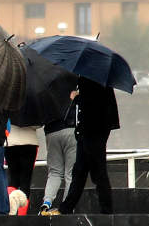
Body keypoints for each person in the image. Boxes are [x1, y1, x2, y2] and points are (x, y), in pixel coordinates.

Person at [60, 76, 119, 215]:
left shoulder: (91, 79)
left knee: (97, 172)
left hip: (91, 132)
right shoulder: (102, 79)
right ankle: (67, 207)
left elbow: (91, 103)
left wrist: (76, 97)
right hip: (93, 131)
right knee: (80, 171)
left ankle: (106, 209)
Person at [37, 93, 76, 215]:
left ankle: (46, 202)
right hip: (72, 130)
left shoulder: (47, 87)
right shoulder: (73, 82)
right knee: (71, 173)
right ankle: (66, 207)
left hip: (52, 132)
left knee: (54, 172)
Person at [5, 123, 42, 200]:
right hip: (29, 143)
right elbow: (38, 124)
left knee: (12, 178)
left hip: (11, 143)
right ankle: (23, 210)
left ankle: (11, 208)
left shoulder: (8, 110)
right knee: (25, 179)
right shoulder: (30, 111)